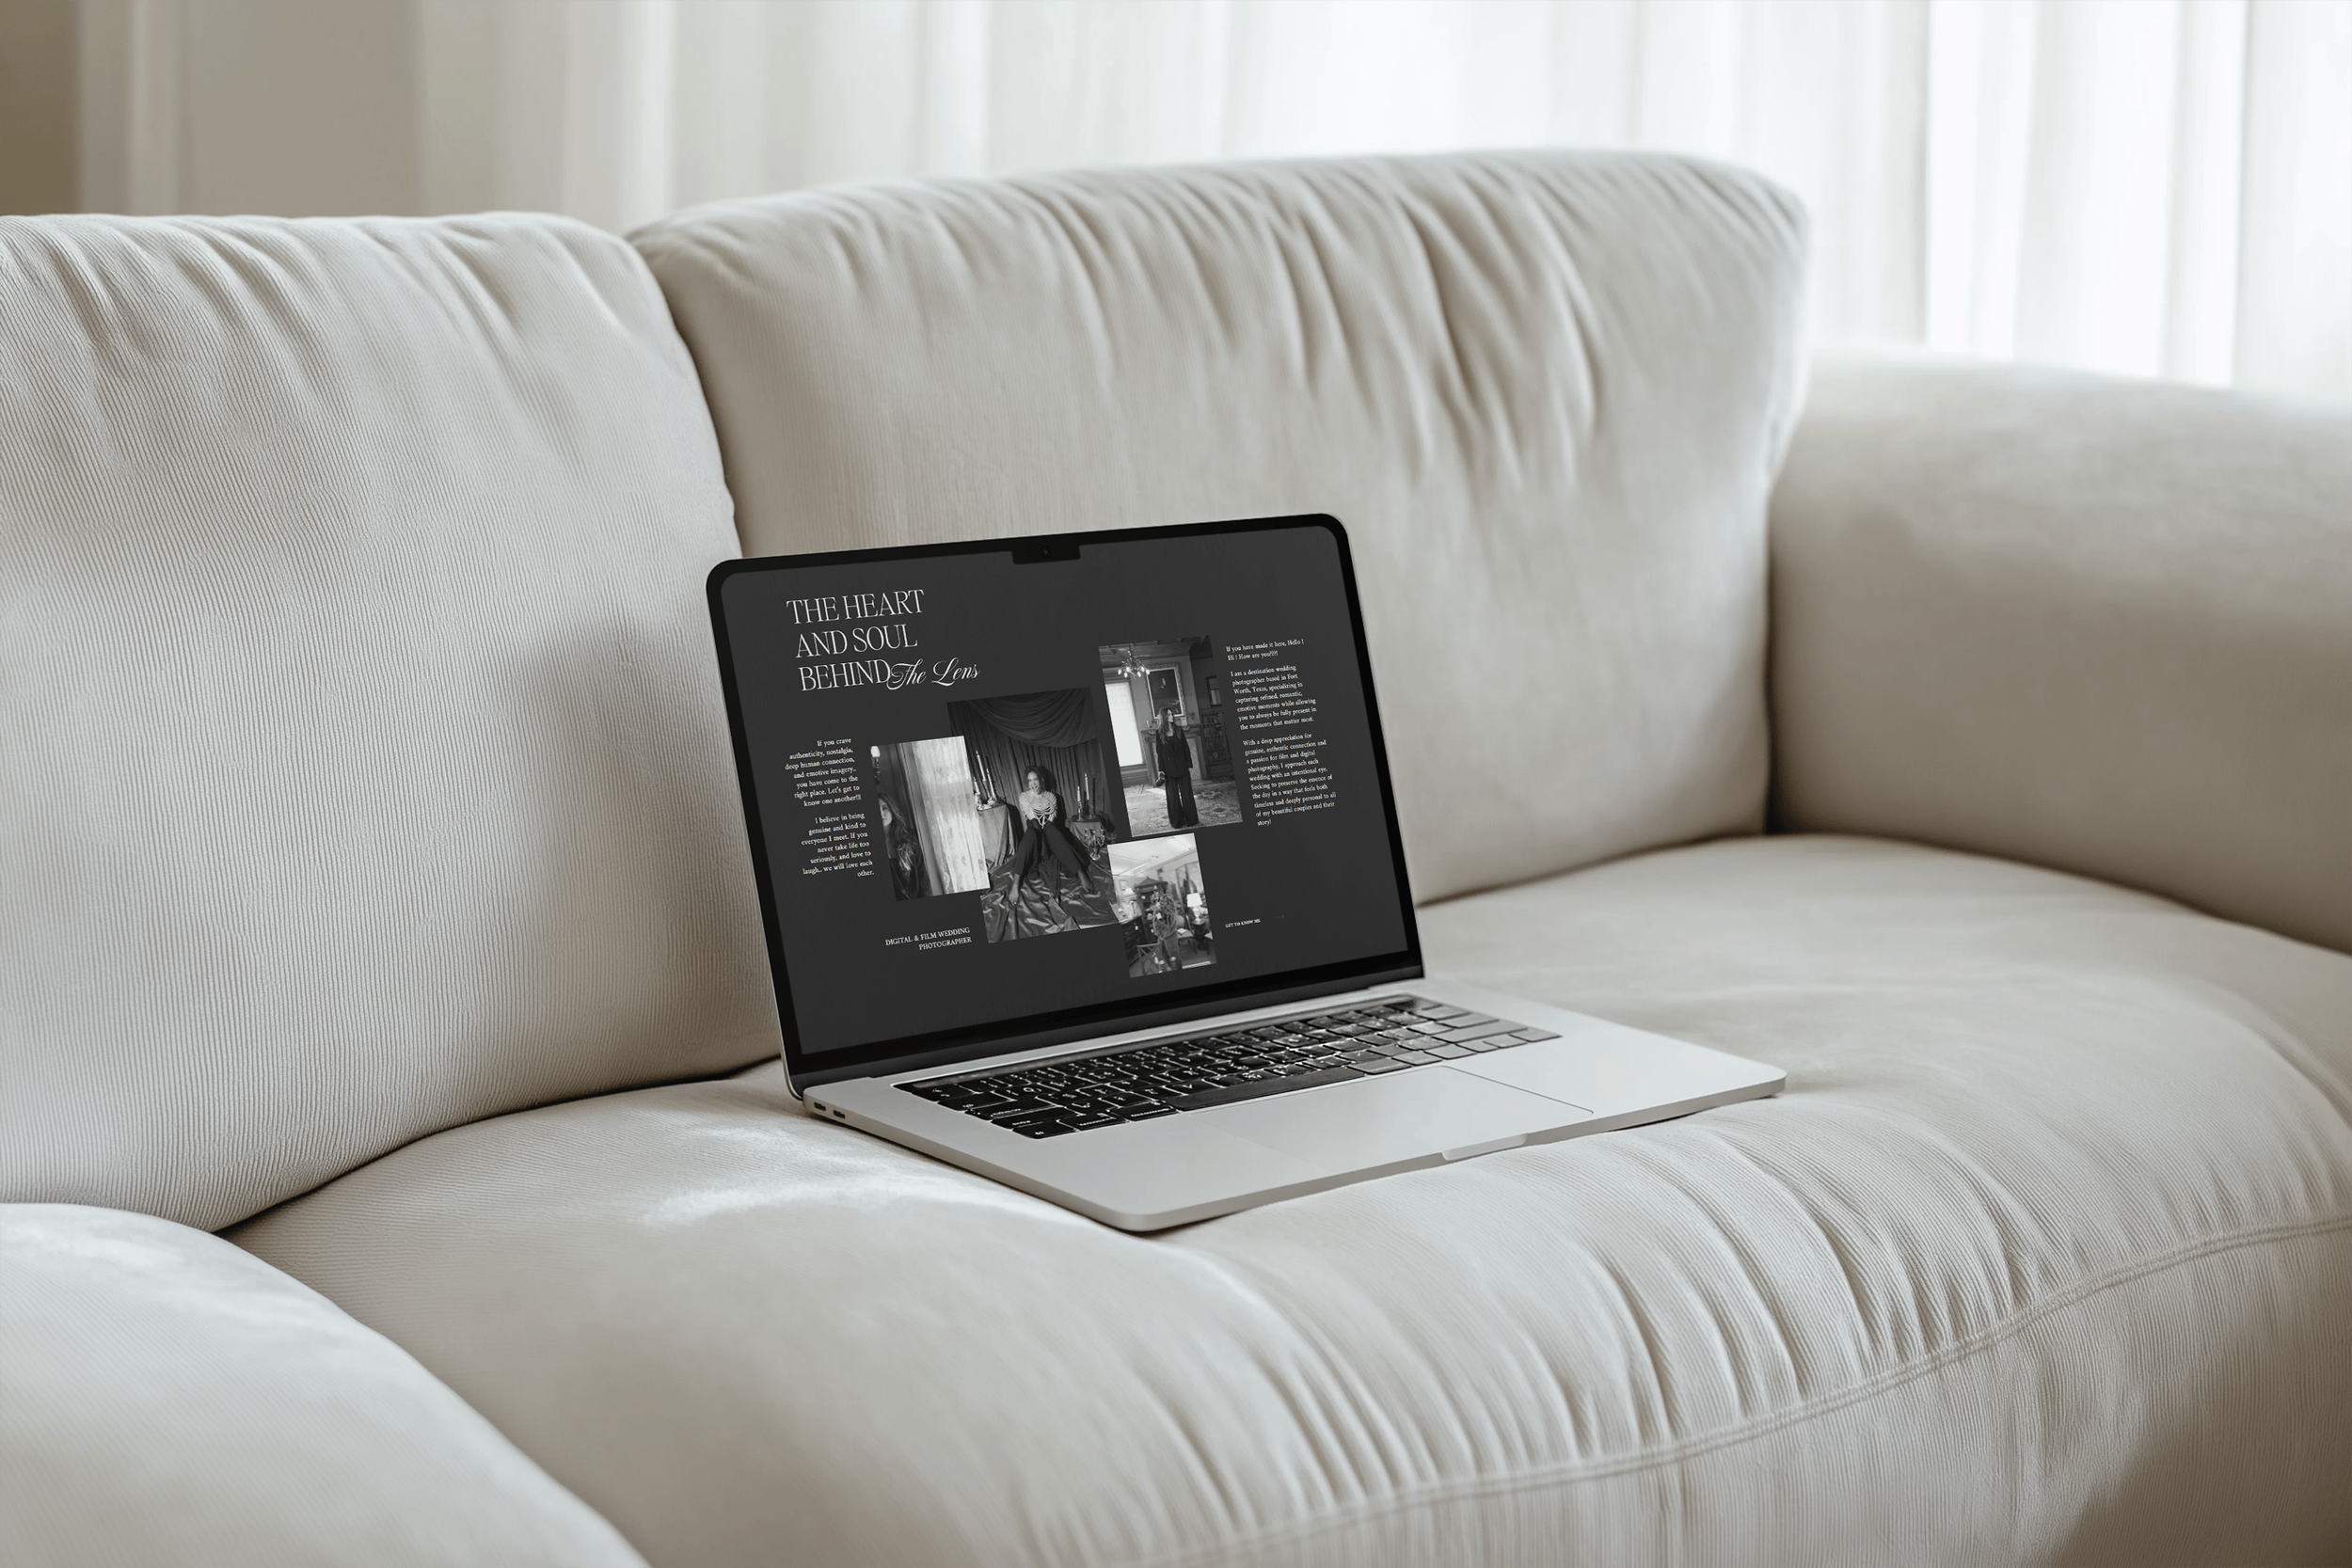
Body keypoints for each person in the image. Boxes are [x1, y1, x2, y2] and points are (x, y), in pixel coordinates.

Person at [1008, 765, 1093, 896]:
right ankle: (1016, 882)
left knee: (1053, 831)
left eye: (1035, 779)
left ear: (1041, 780)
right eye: (1030, 781)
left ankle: (1080, 873)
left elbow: (1051, 819)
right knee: (1031, 833)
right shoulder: (1024, 797)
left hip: (1049, 828)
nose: (1033, 784)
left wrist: (1049, 839)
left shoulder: (1051, 796)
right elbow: (1032, 818)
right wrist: (1043, 844)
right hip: (1035, 830)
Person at [1153, 708, 1198, 830]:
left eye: (1172, 714)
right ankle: (1177, 821)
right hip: (1168, 769)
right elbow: (1160, 753)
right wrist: (1161, 770)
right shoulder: (1159, 733)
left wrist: (1189, 765)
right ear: (1164, 717)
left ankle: (1191, 820)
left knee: (1187, 794)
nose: (1172, 716)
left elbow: (1185, 748)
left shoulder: (1179, 730)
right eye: (1169, 714)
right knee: (1172, 796)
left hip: (1182, 766)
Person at [877, 795, 927, 900]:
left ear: (892, 812)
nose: (881, 814)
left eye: (885, 808)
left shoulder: (909, 837)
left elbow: (922, 873)